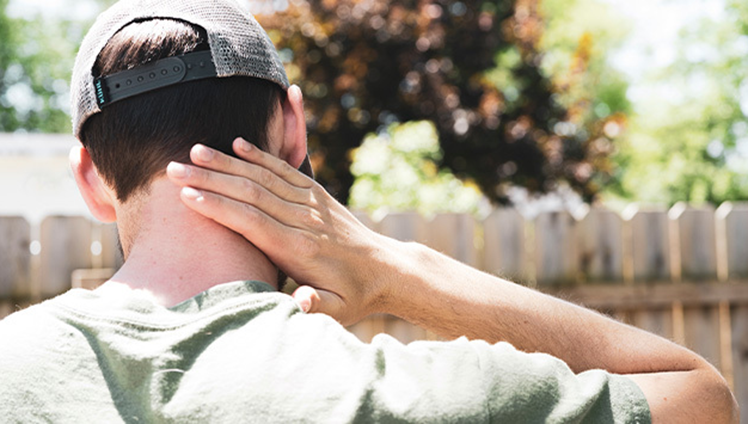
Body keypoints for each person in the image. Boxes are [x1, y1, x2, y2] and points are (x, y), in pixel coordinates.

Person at [0, 0, 737, 422]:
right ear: (293, 130)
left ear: (89, 176)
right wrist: (393, 271)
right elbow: (700, 396)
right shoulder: (413, 395)